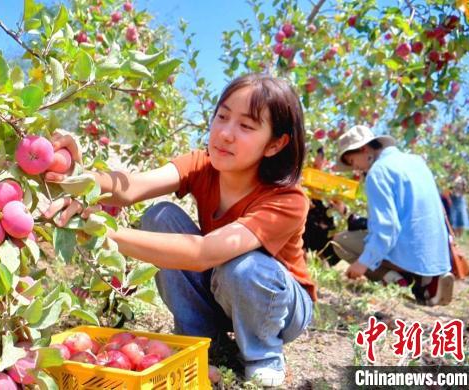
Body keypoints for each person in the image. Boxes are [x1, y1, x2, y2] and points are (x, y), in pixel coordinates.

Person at [43, 74, 315, 387]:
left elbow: (204, 254)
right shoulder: (203, 165)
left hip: (279, 307)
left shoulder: (287, 200)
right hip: (222, 287)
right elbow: (132, 187)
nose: (225, 133)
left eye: (246, 126)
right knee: (160, 215)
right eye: (222, 117)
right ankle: (202, 339)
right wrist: (76, 174)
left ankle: (262, 355)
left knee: (244, 266)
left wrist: (108, 234)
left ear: (275, 144)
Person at [330, 125, 454, 306]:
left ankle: (402, 277)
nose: (354, 167)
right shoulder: (416, 161)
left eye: (351, 160)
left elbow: (387, 227)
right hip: (438, 254)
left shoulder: (378, 172)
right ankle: (427, 278)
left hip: (411, 252)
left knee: (340, 241)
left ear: (364, 149)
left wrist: (363, 263)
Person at [449, 171, 469, 237]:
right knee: (454, 217)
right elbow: (448, 189)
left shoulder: (462, 180)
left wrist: (460, 194)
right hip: (452, 199)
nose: (455, 172)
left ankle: (460, 235)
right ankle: (455, 234)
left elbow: (466, 189)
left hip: (460, 199)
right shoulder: (451, 179)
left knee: (461, 217)